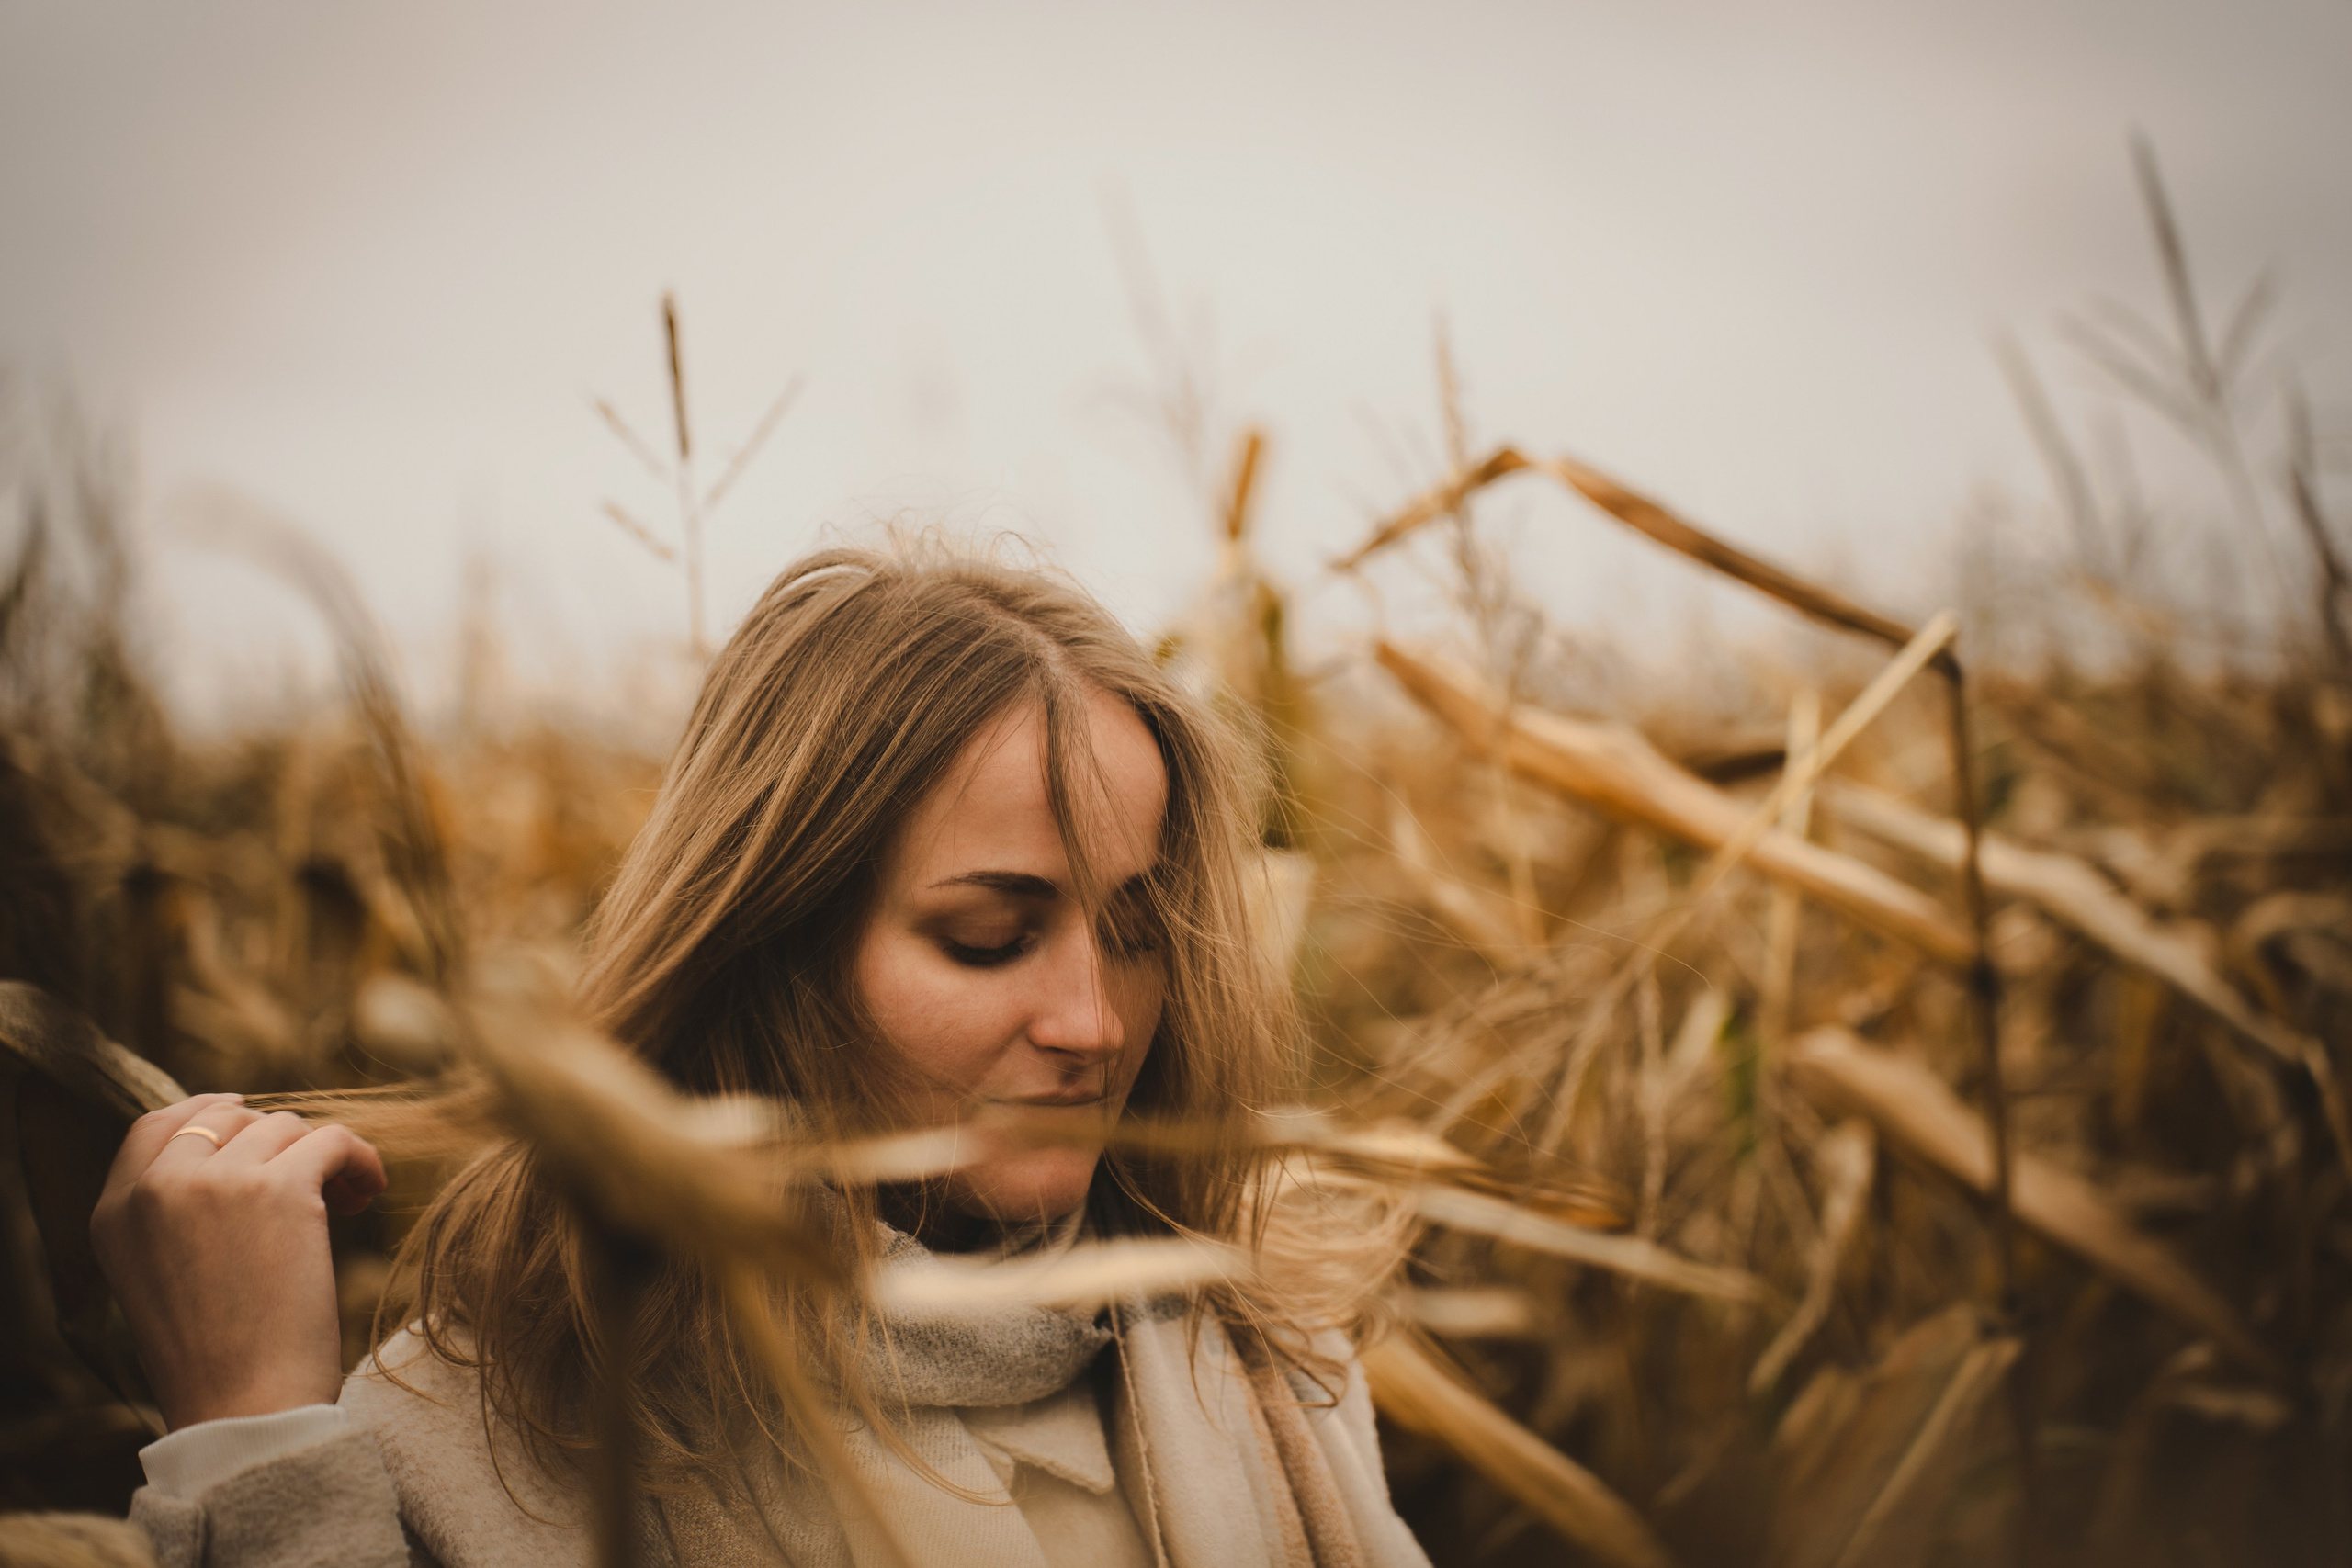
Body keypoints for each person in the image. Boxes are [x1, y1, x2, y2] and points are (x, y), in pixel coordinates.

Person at [93, 543, 1432, 1568]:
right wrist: (254, 1440)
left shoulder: (1264, 1349)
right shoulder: (512, 1422)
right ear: (773, 947)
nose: (1093, 1022)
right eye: (985, 937)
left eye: (1139, 933)